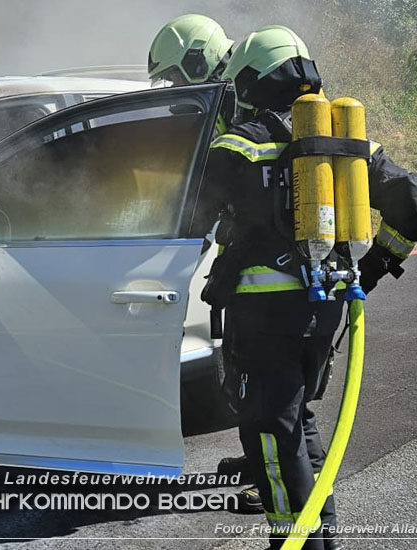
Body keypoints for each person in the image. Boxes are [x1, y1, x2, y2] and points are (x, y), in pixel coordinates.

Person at [191, 25, 417, 550]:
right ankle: (324, 539)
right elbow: (414, 198)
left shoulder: (237, 146)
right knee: (297, 421)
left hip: (263, 319)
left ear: (250, 81)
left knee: (269, 433)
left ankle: (294, 542)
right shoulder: (347, 144)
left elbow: (189, 217)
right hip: (325, 309)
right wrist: (373, 267)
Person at [149, 14, 263, 512]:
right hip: (247, 258)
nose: (175, 88)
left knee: (270, 378)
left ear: (198, 61)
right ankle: (260, 458)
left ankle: (279, 478)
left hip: (267, 263)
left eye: (176, 76)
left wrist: (191, 234)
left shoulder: (241, 104)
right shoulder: (228, 99)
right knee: (244, 369)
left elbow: (222, 184)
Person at [148, 13, 239, 133]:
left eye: (174, 77)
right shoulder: (204, 112)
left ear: (197, 65)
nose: (173, 87)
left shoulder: (237, 114)